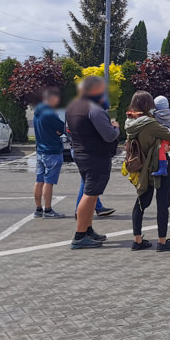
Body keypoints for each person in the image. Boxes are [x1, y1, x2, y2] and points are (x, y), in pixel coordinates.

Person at [66, 75, 119, 249]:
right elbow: (109, 135)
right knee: (89, 195)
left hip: (81, 153)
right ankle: (80, 235)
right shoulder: (94, 109)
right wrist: (116, 127)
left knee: (93, 194)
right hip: (95, 156)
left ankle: (88, 229)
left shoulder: (72, 107)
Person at [125, 91, 170, 251]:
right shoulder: (151, 124)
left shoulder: (130, 122)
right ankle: (162, 242)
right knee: (163, 203)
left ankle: (137, 239)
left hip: (140, 165)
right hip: (158, 165)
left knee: (141, 200)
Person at [32, 87, 67, 219]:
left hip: (40, 150)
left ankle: (38, 209)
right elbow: (62, 128)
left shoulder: (38, 112)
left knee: (39, 180)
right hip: (52, 150)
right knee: (49, 181)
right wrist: (58, 132)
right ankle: (48, 209)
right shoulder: (50, 113)